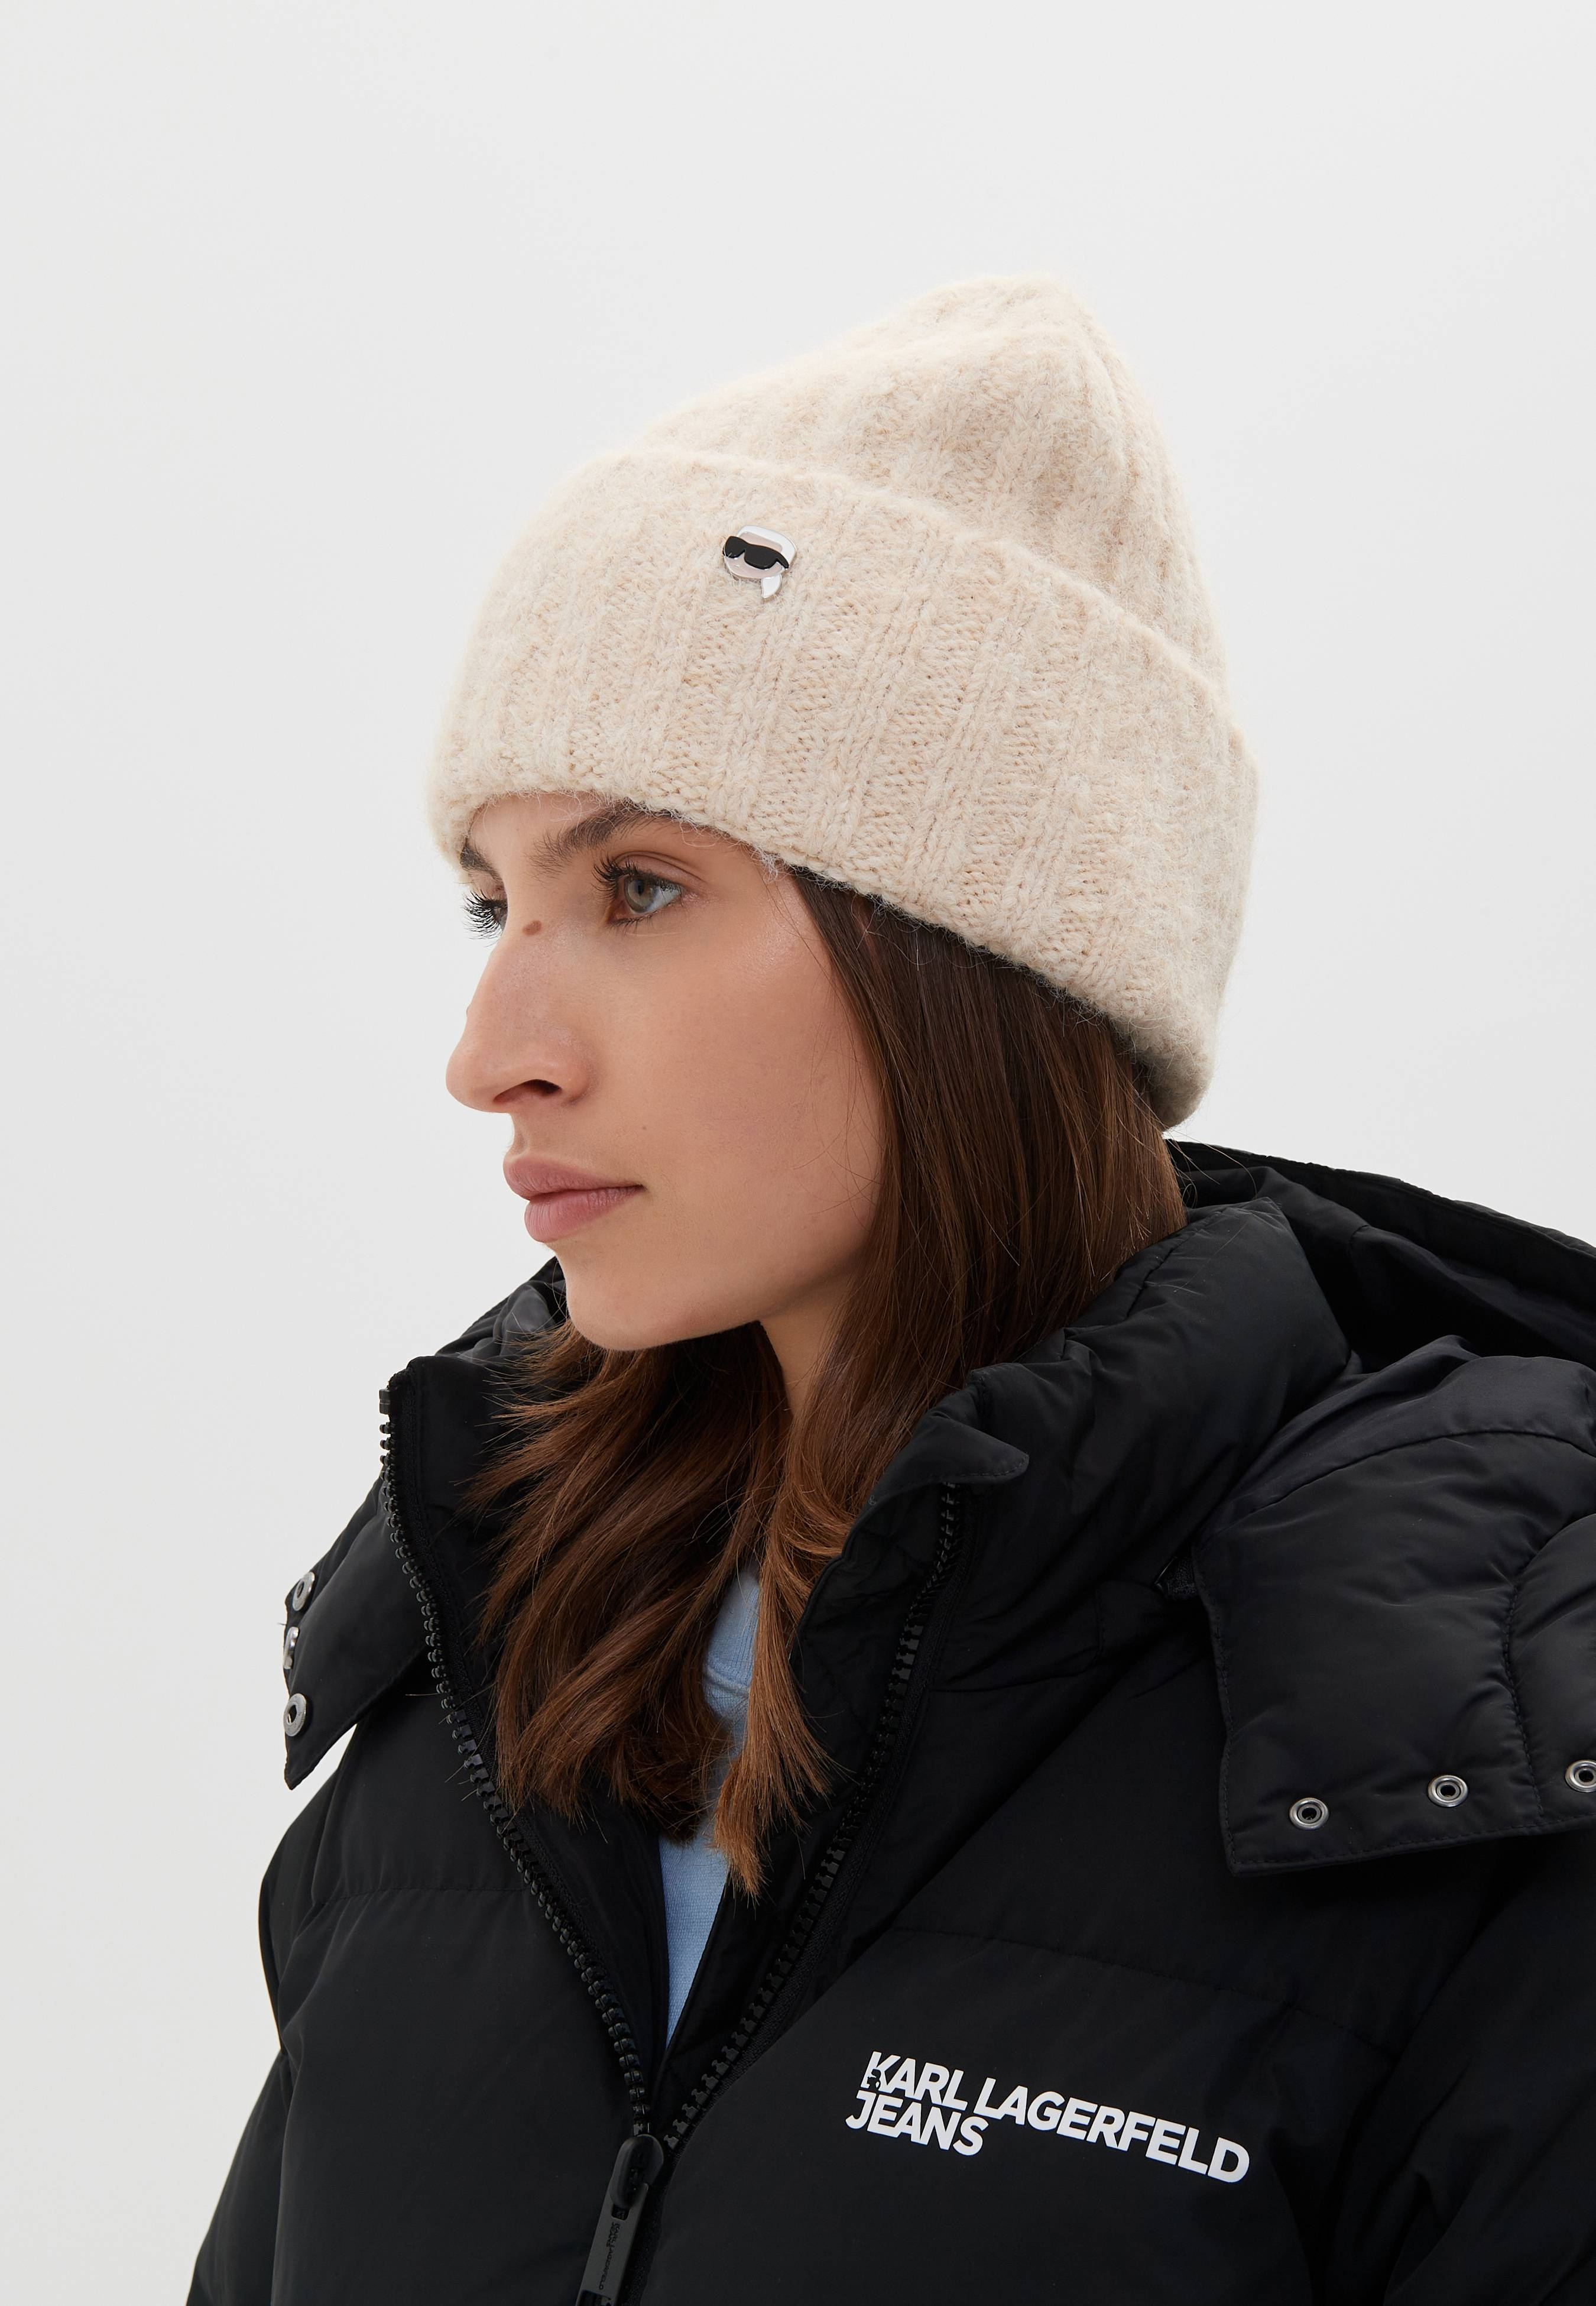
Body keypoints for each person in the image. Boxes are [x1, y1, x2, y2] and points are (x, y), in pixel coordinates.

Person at [189, 278, 1596, 2306]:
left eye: (638, 886)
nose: (492, 1050)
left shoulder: (1448, 1748)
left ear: (978, 956)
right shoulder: (482, 1672)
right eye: (492, 902)